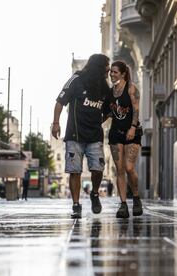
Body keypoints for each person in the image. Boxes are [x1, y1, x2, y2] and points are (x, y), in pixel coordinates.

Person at [52, 54, 110, 219]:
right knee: (74, 171)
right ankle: (76, 205)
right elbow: (59, 102)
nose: (108, 70)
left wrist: (100, 120)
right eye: (106, 66)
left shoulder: (104, 87)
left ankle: (94, 194)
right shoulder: (76, 80)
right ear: (99, 67)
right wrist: (56, 123)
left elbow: (108, 110)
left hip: (95, 136)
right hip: (75, 135)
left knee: (98, 169)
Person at [105, 60, 143, 218]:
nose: (112, 74)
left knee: (129, 168)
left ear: (123, 73)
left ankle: (135, 197)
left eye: (115, 72)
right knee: (119, 169)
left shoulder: (131, 88)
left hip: (132, 133)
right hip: (115, 133)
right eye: (111, 72)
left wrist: (133, 127)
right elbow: (107, 113)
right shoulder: (110, 92)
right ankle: (123, 205)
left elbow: (135, 110)